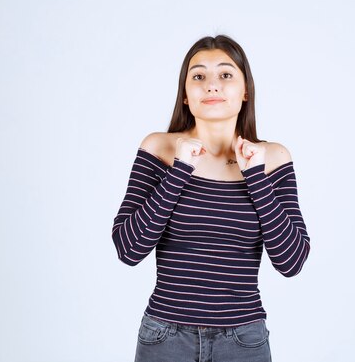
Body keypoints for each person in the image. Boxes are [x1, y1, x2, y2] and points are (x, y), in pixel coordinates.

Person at [112, 35, 311, 362]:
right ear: (186, 95)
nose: (212, 86)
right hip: (165, 336)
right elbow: (129, 250)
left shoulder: (272, 158)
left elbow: (291, 262)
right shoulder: (159, 149)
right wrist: (180, 171)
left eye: (226, 75)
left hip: (243, 339)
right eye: (199, 76)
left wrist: (256, 179)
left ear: (245, 90)